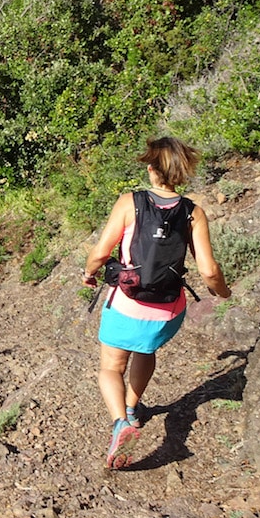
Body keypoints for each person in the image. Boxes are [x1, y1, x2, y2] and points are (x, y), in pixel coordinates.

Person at [82, 137, 232, 469]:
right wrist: (223, 293)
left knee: (110, 366)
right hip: (167, 309)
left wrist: (89, 273)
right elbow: (208, 270)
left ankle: (121, 420)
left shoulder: (129, 202)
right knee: (145, 351)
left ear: (151, 170)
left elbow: (101, 253)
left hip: (127, 303)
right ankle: (133, 408)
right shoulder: (194, 213)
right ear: (181, 173)